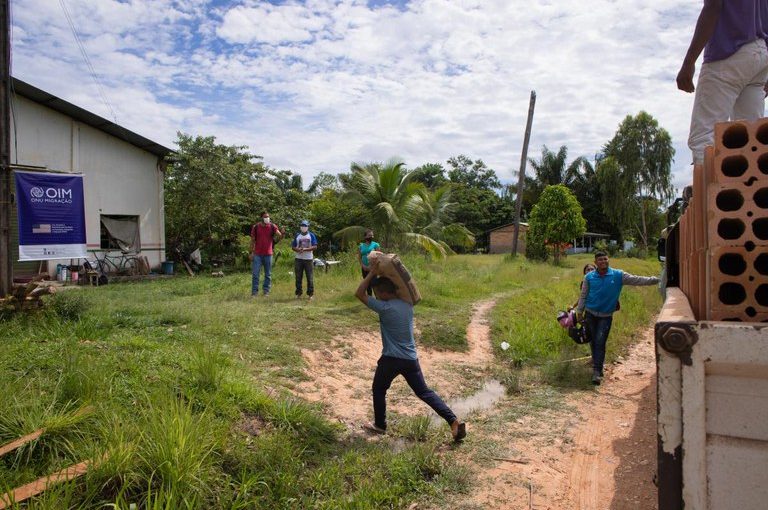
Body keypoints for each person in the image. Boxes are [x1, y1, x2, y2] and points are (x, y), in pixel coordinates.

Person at [355, 270, 466, 442]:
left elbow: (359, 293)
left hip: (391, 359)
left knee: (378, 389)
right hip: (411, 359)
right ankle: (453, 420)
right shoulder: (407, 305)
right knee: (424, 392)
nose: (376, 296)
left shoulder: (384, 308)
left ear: (384, 293)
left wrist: (370, 275)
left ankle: (380, 425)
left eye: (377, 293)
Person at [677, 0, 768, 165]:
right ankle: (749, 189)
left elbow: (713, 6)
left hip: (728, 55)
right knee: (751, 140)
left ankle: (708, 190)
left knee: (704, 138)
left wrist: (688, 63)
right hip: (760, 56)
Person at [576, 251, 659, 385]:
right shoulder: (589, 277)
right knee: (592, 340)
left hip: (606, 316)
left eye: (605, 259)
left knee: (600, 341)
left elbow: (638, 280)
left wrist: (656, 280)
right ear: (595, 262)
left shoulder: (618, 275)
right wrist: (579, 312)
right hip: (590, 314)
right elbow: (583, 295)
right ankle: (597, 364)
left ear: (608, 260)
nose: (603, 262)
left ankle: (597, 371)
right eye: (600, 260)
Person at [250, 211, 282, 297]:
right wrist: (251, 253)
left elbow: (279, 234)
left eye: (268, 217)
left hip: (268, 254)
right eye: (265, 217)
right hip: (257, 254)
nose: (267, 218)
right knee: (255, 274)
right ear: (261, 218)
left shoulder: (272, 226)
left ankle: (266, 291)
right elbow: (252, 240)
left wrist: (280, 233)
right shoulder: (256, 227)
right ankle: (254, 293)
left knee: (268, 274)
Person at [291, 220, 318, 300]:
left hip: (308, 259)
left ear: (308, 227)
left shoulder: (311, 235)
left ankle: (310, 294)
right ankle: (298, 293)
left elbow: (315, 246)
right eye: (302, 226)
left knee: (309, 277)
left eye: (305, 226)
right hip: (298, 259)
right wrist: (298, 249)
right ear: (300, 227)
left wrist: (305, 249)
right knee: (298, 277)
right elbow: (293, 246)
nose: (303, 227)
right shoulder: (297, 235)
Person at [357, 229, 380, 296]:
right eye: (369, 235)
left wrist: (371, 266)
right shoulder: (361, 246)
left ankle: (378, 300)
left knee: (374, 283)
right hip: (364, 268)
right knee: (367, 284)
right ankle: (370, 301)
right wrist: (363, 266)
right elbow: (359, 257)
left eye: (372, 235)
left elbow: (379, 256)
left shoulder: (376, 245)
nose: (371, 236)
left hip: (373, 268)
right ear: (365, 237)